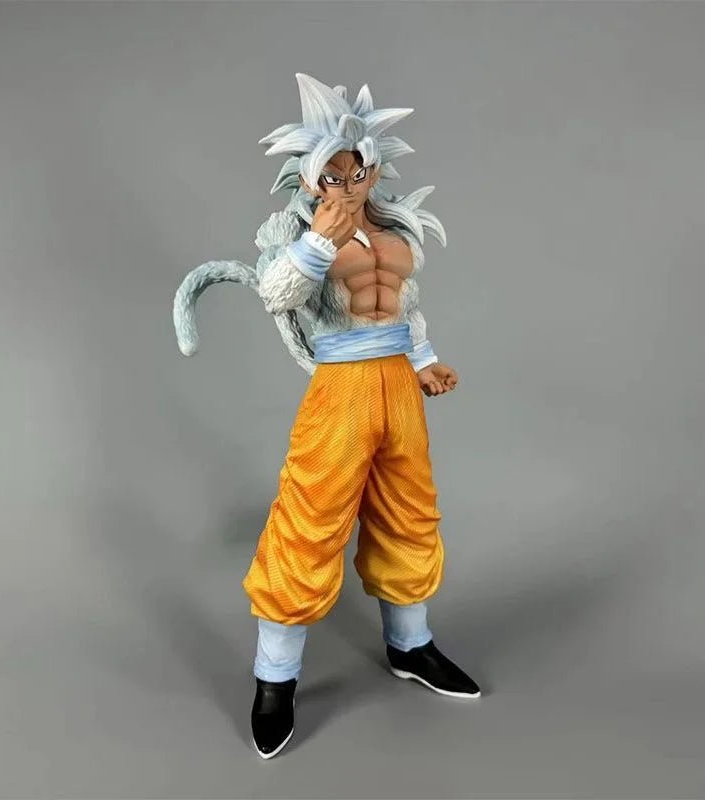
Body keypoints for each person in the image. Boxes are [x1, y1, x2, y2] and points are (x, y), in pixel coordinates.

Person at [173, 73, 480, 760]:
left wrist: (425, 359)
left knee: (409, 509)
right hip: (341, 385)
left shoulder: (393, 227)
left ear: (374, 168)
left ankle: (411, 645)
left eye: (355, 172)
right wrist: (316, 241)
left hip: (397, 382)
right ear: (310, 178)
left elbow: (406, 306)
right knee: (311, 519)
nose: (345, 187)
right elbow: (277, 293)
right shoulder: (298, 230)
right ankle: (275, 678)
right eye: (331, 177)